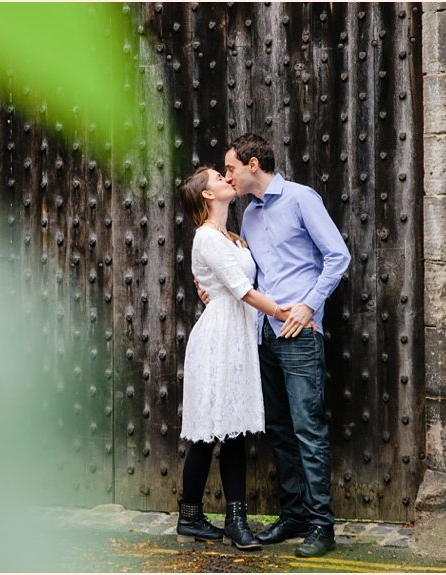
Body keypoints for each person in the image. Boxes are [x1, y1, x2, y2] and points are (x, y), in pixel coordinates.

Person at [204, 133, 351, 557]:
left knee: (308, 428)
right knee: (281, 431)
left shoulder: (302, 198)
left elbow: (337, 256)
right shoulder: (248, 215)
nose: (227, 174)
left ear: (253, 164)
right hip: (264, 334)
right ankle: (294, 515)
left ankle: (322, 526)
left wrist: (308, 307)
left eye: (230, 167)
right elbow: (246, 273)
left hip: (300, 333)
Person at [176, 167, 310, 551]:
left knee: (232, 428)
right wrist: (290, 313)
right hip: (219, 338)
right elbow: (244, 292)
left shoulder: (232, 238)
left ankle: (232, 520)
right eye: (218, 177)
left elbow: (238, 285)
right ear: (207, 195)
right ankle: (194, 516)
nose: (225, 180)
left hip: (238, 336)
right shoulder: (206, 238)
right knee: (211, 430)